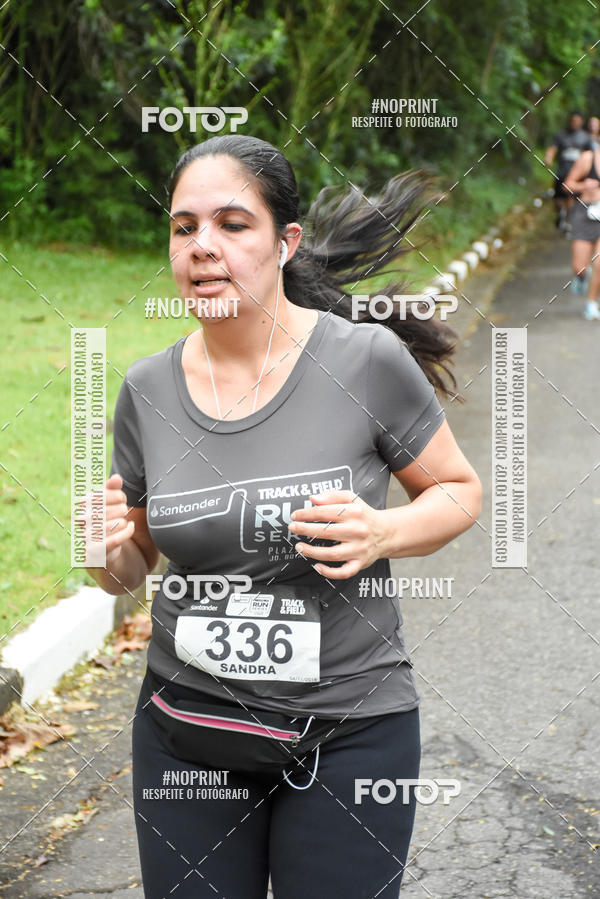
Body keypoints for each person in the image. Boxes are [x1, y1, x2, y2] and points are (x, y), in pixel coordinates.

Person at [86, 135, 482, 898]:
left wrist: (384, 531)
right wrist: (104, 554)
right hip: (187, 728)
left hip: (349, 730)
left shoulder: (364, 360)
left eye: (233, 224)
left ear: (285, 240)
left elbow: (459, 490)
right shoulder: (147, 389)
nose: (203, 247)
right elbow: (127, 567)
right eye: (184, 227)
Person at [563, 141, 600, 319]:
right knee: (579, 267)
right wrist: (584, 186)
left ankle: (591, 304)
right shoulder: (588, 158)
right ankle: (582, 276)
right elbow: (567, 185)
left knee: (599, 265)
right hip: (585, 214)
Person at [545, 111, 594, 233]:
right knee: (558, 200)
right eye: (573, 121)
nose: (575, 123)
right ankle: (560, 214)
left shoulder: (586, 138)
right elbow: (552, 148)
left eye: (577, 121)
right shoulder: (560, 135)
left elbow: (592, 155)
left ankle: (568, 223)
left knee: (571, 200)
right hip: (561, 173)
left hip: (577, 176)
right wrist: (549, 158)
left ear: (581, 122)